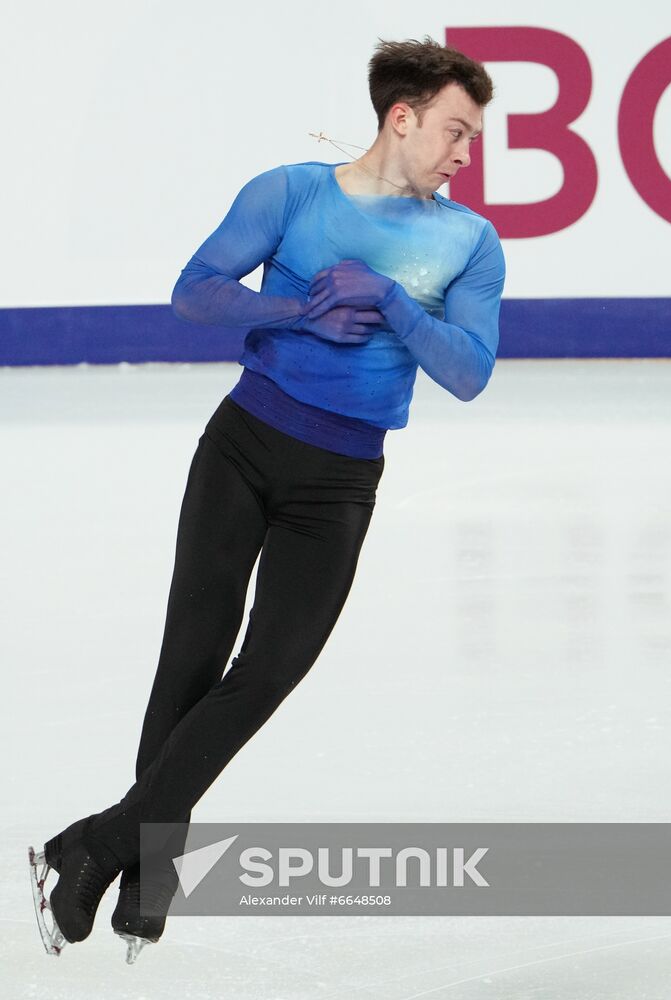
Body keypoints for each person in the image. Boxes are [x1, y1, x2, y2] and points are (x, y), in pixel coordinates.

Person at [29, 34, 505, 961]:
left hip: (339, 481)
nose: (463, 153)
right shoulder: (290, 193)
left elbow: (471, 373)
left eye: (472, 138)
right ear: (401, 118)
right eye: (454, 130)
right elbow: (193, 292)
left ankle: (92, 843)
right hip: (241, 449)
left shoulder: (469, 243)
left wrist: (396, 305)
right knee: (192, 658)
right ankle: (146, 877)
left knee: (268, 671)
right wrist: (294, 310)